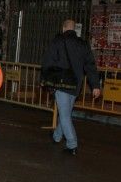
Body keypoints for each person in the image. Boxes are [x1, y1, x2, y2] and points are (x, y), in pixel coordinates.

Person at [41, 19, 101, 155]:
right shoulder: (83, 44)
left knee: (64, 115)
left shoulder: (57, 41)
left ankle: (72, 144)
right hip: (76, 85)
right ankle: (57, 136)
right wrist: (96, 85)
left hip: (61, 83)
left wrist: (45, 80)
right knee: (66, 112)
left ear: (63, 28)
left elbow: (48, 61)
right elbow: (90, 65)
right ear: (75, 29)